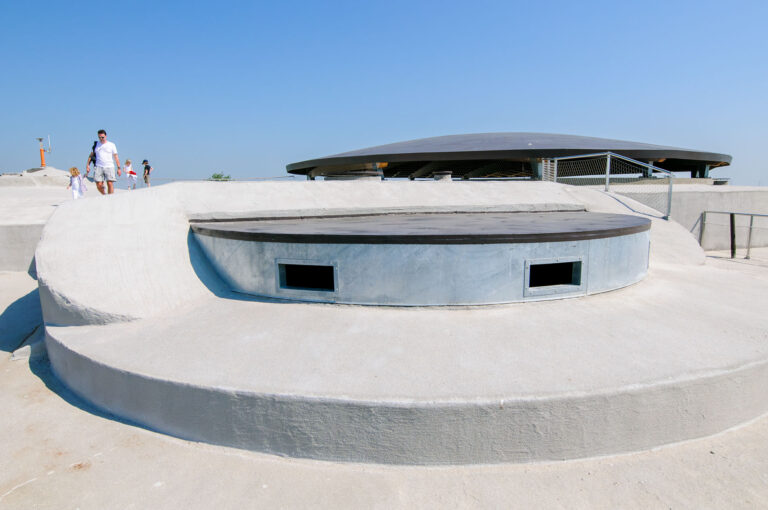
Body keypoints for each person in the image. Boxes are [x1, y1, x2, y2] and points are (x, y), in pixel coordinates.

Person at [86, 129, 121, 195]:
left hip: (109, 166)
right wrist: (87, 165)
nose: (101, 139)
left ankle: (110, 198)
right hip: (98, 166)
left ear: (106, 136)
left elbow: (116, 156)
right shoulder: (96, 145)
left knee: (110, 183)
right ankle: (104, 195)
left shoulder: (111, 145)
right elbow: (91, 155)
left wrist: (119, 168)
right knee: (98, 184)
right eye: (99, 137)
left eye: (102, 137)